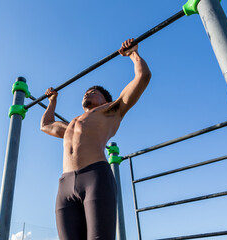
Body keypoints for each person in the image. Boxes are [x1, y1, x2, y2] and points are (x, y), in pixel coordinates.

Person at [40, 38, 151, 240]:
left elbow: (143, 77)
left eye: (94, 91)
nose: (88, 92)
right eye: (86, 91)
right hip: (65, 185)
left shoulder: (111, 111)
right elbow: (46, 125)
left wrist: (133, 53)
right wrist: (52, 101)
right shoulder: (73, 124)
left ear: (105, 100)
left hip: (95, 178)